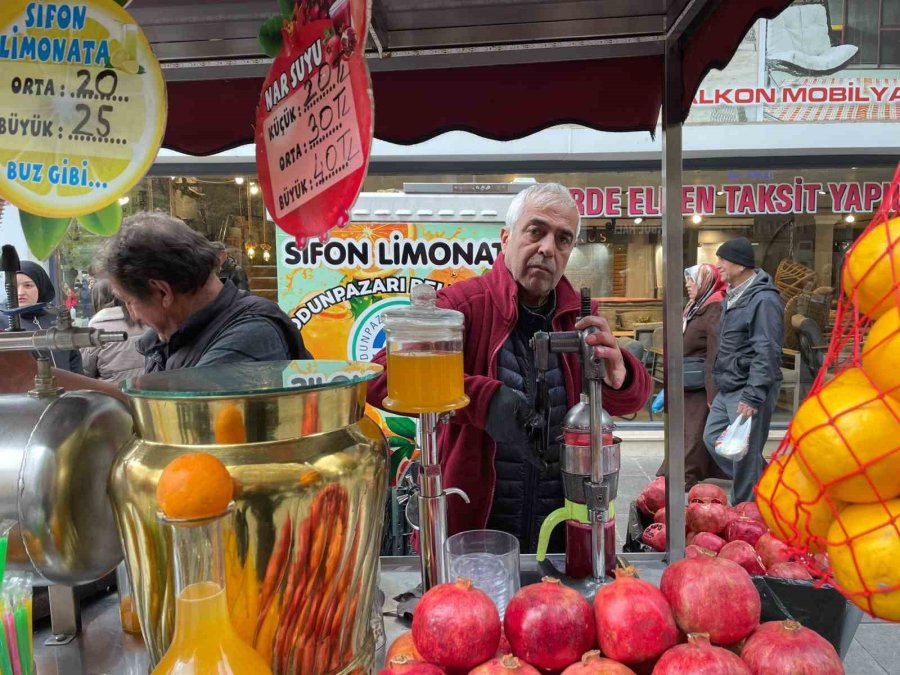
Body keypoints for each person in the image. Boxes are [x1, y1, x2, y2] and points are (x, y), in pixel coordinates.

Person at [366, 183, 652, 553]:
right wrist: (482, 399)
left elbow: (633, 398)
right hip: (471, 531)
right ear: (505, 238)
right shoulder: (463, 305)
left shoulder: (579, 319)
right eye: (536, 231)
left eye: (563, 239)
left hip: (561, 530)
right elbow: (382, 376)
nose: (548, 248)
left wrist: (620, 375)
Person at [0, 213, 311, 398]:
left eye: (130, 301)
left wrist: (34, 376)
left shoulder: (253, 334)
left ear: (162, 291)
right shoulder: (176, 336)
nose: (133, 314)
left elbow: (178, 409)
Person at [704, 237, 784, 504]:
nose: (718, 266)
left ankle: (743, 512)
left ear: (740, 264)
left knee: (745, 456)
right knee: (712, 438)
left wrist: (753, 395)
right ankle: (769, 481)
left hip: (748, 388)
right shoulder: (734, 295)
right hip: (728, 386)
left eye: (722, 260)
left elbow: (767, 350)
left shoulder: (763, 300)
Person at [655, 263, 728, 488]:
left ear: (706, 282)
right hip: (687, 380)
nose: (688, 284)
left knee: (694, 432)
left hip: (699, 383)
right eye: (687, 279)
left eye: (692, 280)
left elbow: (714, 351)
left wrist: (711, 389)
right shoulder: (696, 306)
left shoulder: (713, 308)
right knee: (686, 430)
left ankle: (684, 475)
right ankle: (676, 471)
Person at [12, 262, 83, 373]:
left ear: (40, 286)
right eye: (14, 286)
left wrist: (78, 386)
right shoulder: (5, 322)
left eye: (28, 285)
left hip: (67, 387)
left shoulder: (55, 316)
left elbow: (73, 357)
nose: (20, 292)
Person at [81, 278, 146, 383]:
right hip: (145, 390)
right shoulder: (144, 320)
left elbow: (85, 371)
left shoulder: (95, 329)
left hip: (110, 394)